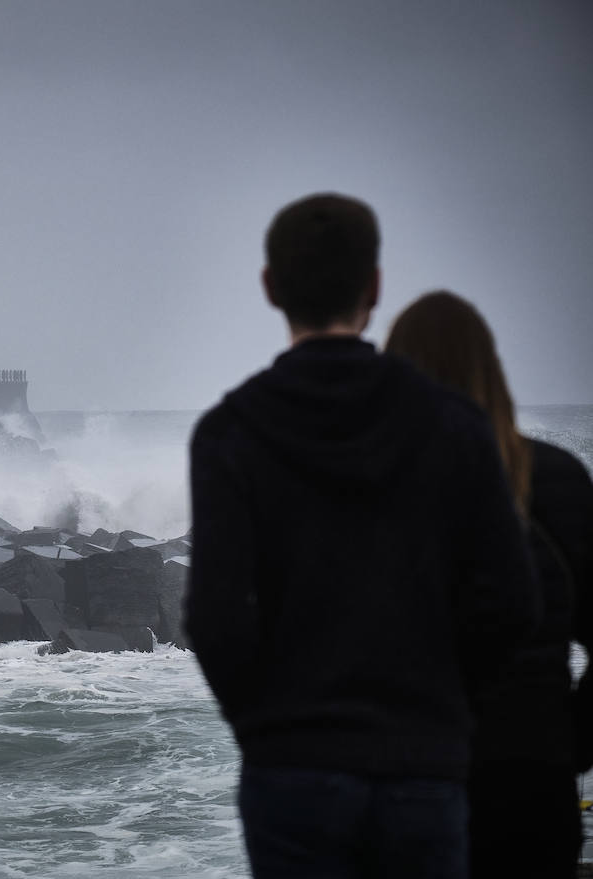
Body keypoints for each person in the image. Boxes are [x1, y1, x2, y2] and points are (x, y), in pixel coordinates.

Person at [185, 193, 537, 878]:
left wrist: (266, 729)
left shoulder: (231, 431)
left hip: (293, 772)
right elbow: (512, 602)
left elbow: (214, 619)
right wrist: (443, 713)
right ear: (374, 288)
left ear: (271, 287)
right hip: (423, 768)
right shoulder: (454, 424)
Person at [385, 290, 593, 878]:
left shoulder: (364, 488)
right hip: (530, 797)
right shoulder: (555, 478)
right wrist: (567, 746)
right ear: (492, 372)